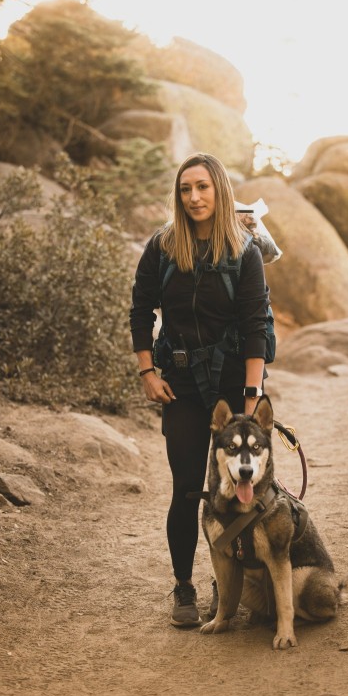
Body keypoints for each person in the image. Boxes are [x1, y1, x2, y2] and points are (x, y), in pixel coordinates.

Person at [129, 152, 271, 627]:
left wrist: (251, 401)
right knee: (189, 488)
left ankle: (224, 584)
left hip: (232, 386)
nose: (194, 197)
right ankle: (184, 588)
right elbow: (140, 310)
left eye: (203, 187)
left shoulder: (243, 251)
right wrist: (148, 373)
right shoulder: (164, 247)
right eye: (186, 189)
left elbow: (255, 328)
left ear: (220, 190)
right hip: (182, 385)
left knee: (234, 489)